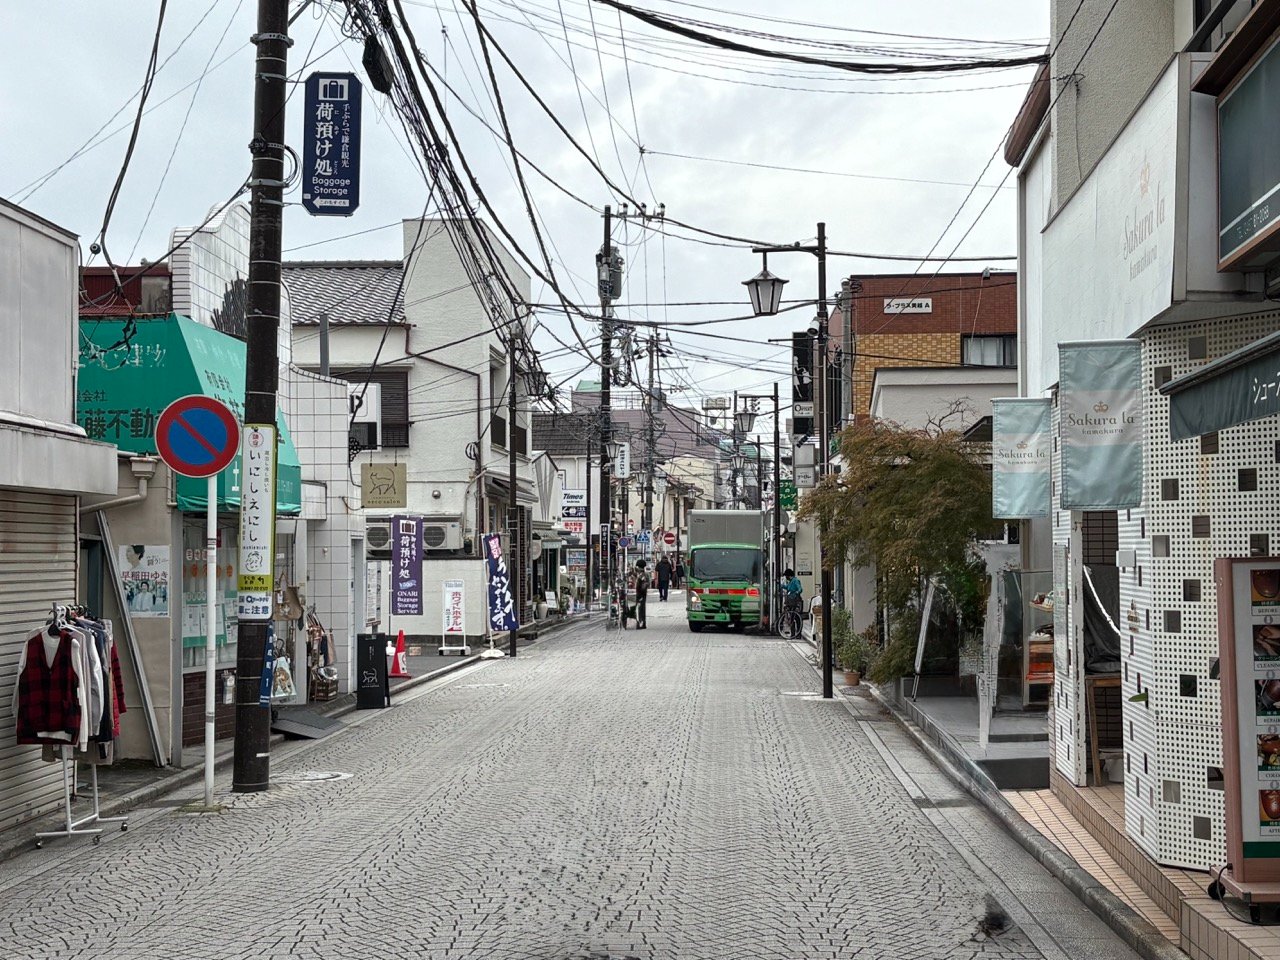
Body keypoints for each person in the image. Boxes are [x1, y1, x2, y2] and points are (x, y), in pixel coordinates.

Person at [634, 558, 649, 629]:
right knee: (641, 608)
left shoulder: (642, 575)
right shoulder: (643, 574)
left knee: (640, 608)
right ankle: (642, 622)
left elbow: (644, 584)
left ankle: (641, 623)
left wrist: (641, 590)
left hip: (641, 593)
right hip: (642, 593)